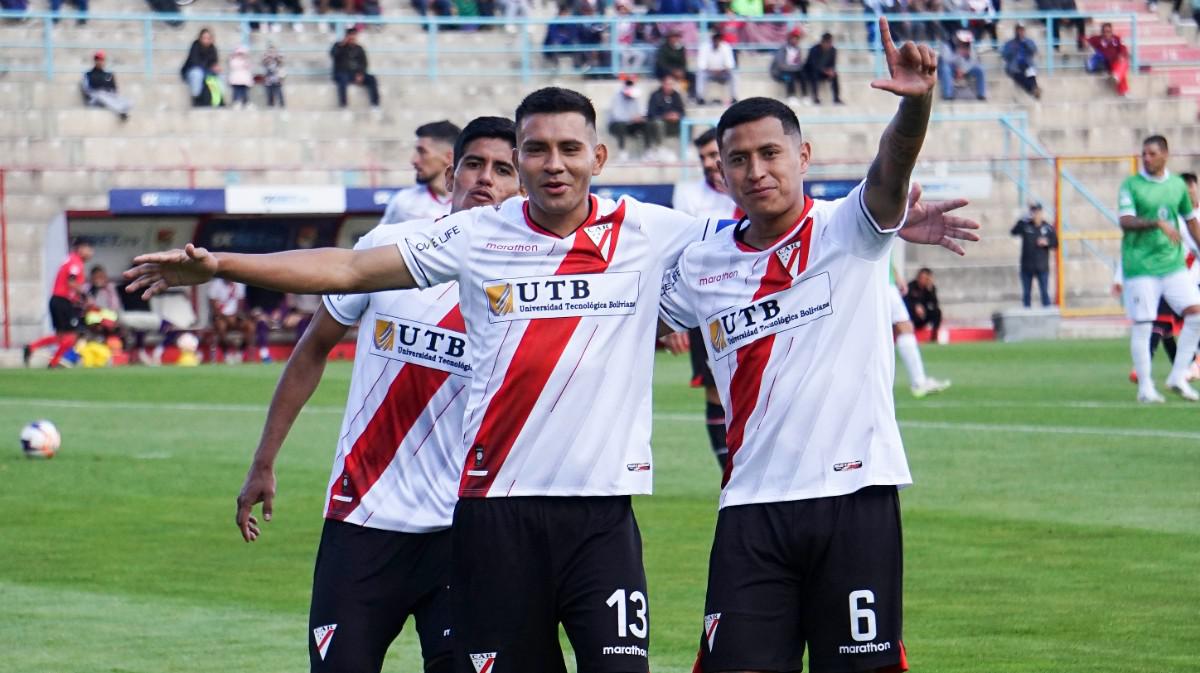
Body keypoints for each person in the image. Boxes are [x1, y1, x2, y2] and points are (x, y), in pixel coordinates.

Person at [125, 77, 978, 673]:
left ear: (600, 155)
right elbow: (348, 271)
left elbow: (800, 229)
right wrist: (222, 262)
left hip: (603, 518)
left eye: (570, 147)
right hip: (493, 518)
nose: (553, 162)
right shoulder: (475, 236)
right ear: (520, 159)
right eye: (536, 149)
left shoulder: (655, 235)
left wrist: (895, 217)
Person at [655, 24, 971, 672]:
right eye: (737, 159)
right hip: (751, 509)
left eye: (771, 153)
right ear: (721, 169)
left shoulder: (849, 228)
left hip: (855, 501)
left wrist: (914, 103)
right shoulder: (699, 262)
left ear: (804, 154)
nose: (755, 169)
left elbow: (892, 164)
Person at [235, 117, 520, 673]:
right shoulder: (388, 249)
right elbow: (310, 351)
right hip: (361, 523)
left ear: (523, 185)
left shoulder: (529, 286)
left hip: (461, 530)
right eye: (475, 164)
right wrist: (263, 461)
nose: (486, 178)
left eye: (504, 169)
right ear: (451, 174)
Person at [671, 127, 739, 470]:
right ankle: (728, 469)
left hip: (752, 297)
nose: (709, 163)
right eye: (703, 158)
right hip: (707, 304)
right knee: (716, 388)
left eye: (715, 155)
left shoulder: (748, 188)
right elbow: (680, 254)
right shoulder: (688, 195)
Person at [1118, 135, 1200, 402]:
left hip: (1172, 264)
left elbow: (1190, 221)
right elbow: (1126, 220)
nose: (1147, 158)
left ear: (1165, 154)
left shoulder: (1177, 185)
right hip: (1141, 265)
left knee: (1196, 313)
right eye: (1144, 154)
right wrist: (1156, 223)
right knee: (1144, 325)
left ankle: (1178, 376)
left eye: (1152, 154)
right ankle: (1145, 388)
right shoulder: (1132, 185)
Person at [25, 236, 93, 368]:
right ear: (80, 249)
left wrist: (79, 299)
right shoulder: (75, 261)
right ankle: (54, 362)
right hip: (62, 302)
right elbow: (71, 281)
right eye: (89, 249)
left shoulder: (70, 259)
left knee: (61, 337)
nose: (91, 252)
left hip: (57, 300)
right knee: (72, 336)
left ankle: (31, 347)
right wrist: (86, 295)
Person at [891, 257, 952, 395]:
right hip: (882, 281)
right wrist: (896, 276)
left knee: (904, 327)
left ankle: (919, 381)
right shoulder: (912, 286)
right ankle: (918, 382)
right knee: (905, 328)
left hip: (882, 280)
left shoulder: (931, 289)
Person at [381, 120, 460, 224]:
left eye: (422, 152)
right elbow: (380, 239)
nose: (413, 160)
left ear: (449, 157)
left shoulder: (475, 203)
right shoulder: (403, 202)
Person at [1010, 201, 1057, 307]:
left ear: (1041, 212)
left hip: (1042, 267)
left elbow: (1055, 243)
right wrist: (1023, 217)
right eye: (1033, 212)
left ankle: (1047, 316)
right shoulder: (1025, 225)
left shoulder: (1047, 227)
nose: (1035, 214)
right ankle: (1027, 317)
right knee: (1026, 295)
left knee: (1044, 293)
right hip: (1027, 266)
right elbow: (1013, 231)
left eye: (1037, 212)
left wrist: (1047, 243)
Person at [207, 277, 257, 363]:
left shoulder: (239, 284)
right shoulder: (216, 284)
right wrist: (226, 317)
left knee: (250, 326)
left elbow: (241, 303)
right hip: (221, 317)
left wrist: (236, 316)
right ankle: (226, 353)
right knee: (221, 326)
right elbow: (213, 306)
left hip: (235, 317)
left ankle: (241, 352)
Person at [330, 28, 380, 108]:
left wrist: (361, 73)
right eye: (351, 36)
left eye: (354, 36)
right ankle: (343, 105)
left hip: (356, 74)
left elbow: (364, 63)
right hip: (342, 73)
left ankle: (375, 105)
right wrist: (342, 44)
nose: (353, 38)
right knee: (343, 79)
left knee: (372, 79)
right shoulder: (339, 46)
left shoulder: (359, 49)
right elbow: (333, 54)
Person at [608, 75, 650, 160]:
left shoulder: (636, 97)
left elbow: (643, 111)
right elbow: (617, 116)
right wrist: (631, 118)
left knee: (647, 124)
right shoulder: (617, 97)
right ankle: (622, 151)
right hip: (616, 125)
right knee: (620, 125)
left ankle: (647, 151)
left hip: (631, 124)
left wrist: (641, 117)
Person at [80, 51, 131, 121]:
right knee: (101, 95)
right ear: (95, 61)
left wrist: (109, 92)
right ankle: (121, 111)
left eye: (101, 60)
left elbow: (114, 90)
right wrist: (98, 91)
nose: (100, 62)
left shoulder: (109, 74)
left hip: (108, 97)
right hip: (94, 99)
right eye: (98, 60)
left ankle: (121, 109)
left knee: (128, 101)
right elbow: (86, 90)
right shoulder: (88, 74)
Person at [938, 30, 985, 101]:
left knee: (980, 69)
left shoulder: (970, 45)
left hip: (965, 68)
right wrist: (958, 54)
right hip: (951, 68)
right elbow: (946, 59)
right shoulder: (947, 44)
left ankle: (981, 95)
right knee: (945, 68)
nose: (965, 44)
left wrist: (963, 69)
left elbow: (974, 60)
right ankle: (948, 95)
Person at [646, 74, 686, 156]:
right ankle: (660, 147)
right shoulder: (655, 95)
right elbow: (651, 113)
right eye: (667, 84)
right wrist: (665, 116)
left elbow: (682, 112)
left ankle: (687, 147)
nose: (669, 86)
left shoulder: (676, 95)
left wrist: (677, 115)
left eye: (671, 84)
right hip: (659, 123)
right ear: (663, 84)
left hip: (673, 124)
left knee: (687, 122)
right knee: (658, 123)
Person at [1086, 22, 1130, 97]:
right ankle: (1119, 81)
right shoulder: (1097, 39)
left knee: (1123, 62)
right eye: (1104, 32)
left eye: (1109, 31)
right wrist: (1086, 43)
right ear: (1102, 32)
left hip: (1116, 62)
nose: (1107, 34)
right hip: (1107, 63)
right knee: (1122, 68)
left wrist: (1121, 55)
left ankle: (1118, 79)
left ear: (1112, 32)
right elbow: (1084, 39)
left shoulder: (1116, 39)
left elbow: (1123, 49)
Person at [696, 30, 738, 105]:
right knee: (700, 74)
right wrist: (712, 71)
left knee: (734, 74)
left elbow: (730, 65)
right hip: (709, 73)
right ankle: (700, 98)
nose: (717, 40)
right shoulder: (704, 47)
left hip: (723, 73)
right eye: (715, 38)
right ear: (712, 39)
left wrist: (722, 70)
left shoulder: (726, 47)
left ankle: (734, 97)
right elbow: (701, 65)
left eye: (718, 38)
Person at [180, 28, 219, 106]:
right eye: (204, 38)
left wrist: (215, 68)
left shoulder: (213, 48)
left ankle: (217, 101)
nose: (206, 40)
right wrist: (209, 69)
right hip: (191, 72)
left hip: (206, 72)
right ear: (200, 38)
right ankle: (196, 98)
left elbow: (213, 63)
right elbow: (195, 63)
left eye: (208, 38)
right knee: (197, 74)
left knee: (218, 77)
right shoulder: (195, 46)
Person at [769, 27, 807, 106]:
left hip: (793, 70)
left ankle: (805, 96)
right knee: (789, 76)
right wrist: (794, 68)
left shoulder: (798, 49)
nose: (795, 40)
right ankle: (791, 96)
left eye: (797, 39)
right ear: (789, 38)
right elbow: (781, 65)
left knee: (803, 75)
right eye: (794, 38)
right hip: (780, 73)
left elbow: (799, 64)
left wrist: (796, 68)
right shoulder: (783, 49)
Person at [1001, 23, 1041, 98]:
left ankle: (1035, 89)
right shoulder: (1010, 43)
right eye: (1019, 30)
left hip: (1027, 64)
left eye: (1022, 30)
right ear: (1016, 31)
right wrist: (1012, 49)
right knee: (1019, 76)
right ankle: (1033, 90)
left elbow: (1034, 50)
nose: (1021, 32)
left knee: (1031, 73)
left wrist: (1026, 44)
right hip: (1014, 66)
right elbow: (1004, 55)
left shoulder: (1029, 41)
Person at [803, 32, 842, 105]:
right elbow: (812, 65)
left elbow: (832, 64)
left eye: (830, 42)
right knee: (814, 74)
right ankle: (815, 97)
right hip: (810, 72)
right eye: (827, 42)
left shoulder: (833, 50)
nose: (828, 45)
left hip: (823, 72)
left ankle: (836, 98)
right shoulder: (814, 49)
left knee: (835, 75)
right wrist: (825, 71)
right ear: (822, 42)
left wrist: (831, 71)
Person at [906, 267, 942, 339]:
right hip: (912, 316)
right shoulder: (911, 286)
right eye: (922, 277)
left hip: (924, 316)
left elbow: (934, 304)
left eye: (926, 278)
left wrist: (930, 290)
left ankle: (934, 336)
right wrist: (915, 306)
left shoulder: (931, 289)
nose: (923, 280)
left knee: (937, 312)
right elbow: (906, 301)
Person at [262, 43, 285, 108]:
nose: (271, 54)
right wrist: (267, 58)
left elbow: (281, 65)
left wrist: (277, 58)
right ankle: (270, 105)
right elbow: (264, 63)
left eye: (273, 52)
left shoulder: (278, 60)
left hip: (277, 80)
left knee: (279, 93)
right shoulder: (266, 60)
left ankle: (281, 104)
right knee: (269, 94)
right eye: (270, 52)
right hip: (269, 81)